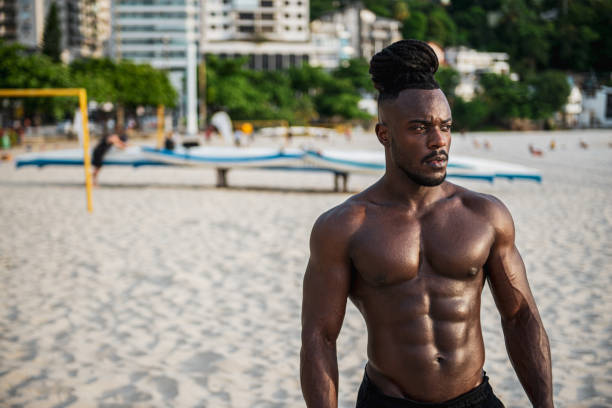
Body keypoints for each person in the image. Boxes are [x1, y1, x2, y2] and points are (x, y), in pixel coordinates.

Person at [300, 40, 553, 408]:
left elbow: (520, 316)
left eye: (445, 127)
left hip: (473, 399)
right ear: (384, 134)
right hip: (389, 401)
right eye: (419, 128)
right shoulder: (344, 227)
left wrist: (545, 405)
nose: (438, 141)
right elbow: (319, 338)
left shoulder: (484, 215)